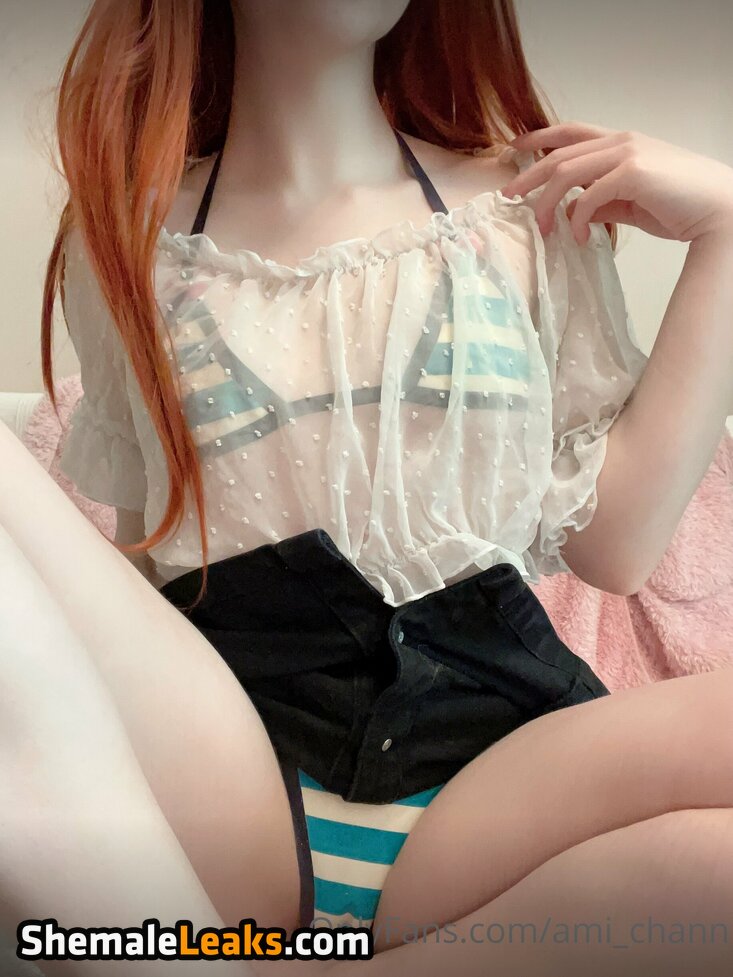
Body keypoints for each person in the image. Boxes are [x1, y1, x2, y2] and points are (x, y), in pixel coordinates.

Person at [3, 1, 733, 974]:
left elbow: (618, 545)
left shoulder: (520, 209)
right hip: (238, 778)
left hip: (494, 800)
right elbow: (144, 570)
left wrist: (727, 232)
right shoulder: (127, 239)